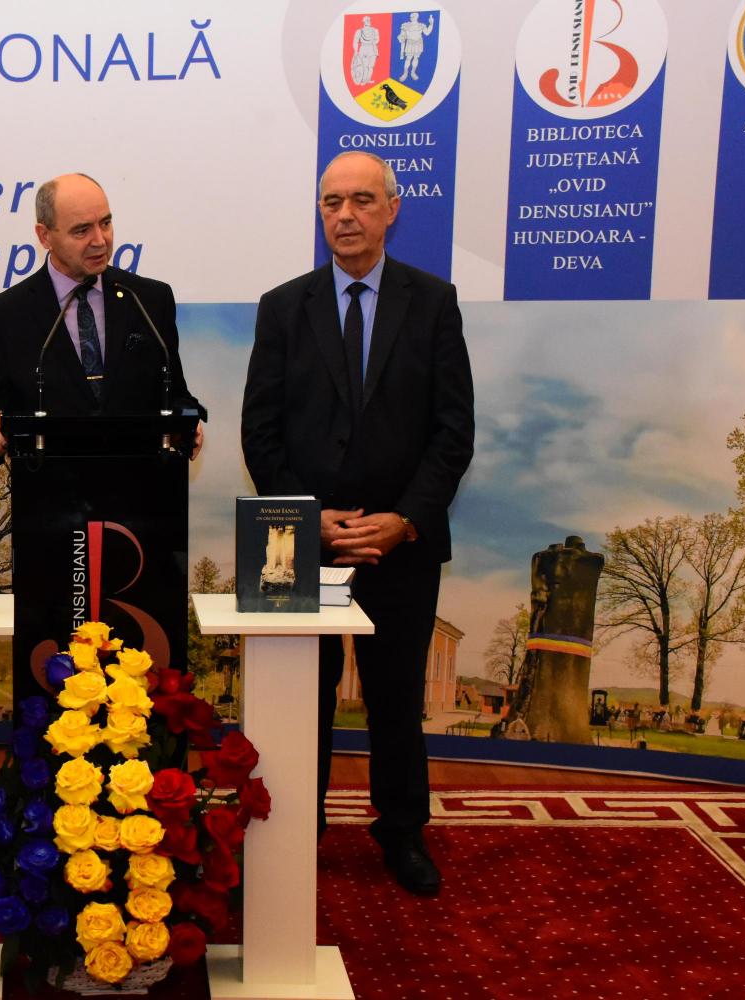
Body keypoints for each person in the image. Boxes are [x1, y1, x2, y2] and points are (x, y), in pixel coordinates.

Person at [240, 150, 474, 896]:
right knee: (298, 696)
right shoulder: (284, 306)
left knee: (396, 696)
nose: (345, 215)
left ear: (392, 209)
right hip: (299, 545)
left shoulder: (433, 303)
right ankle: (292, 827)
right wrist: (310, 521)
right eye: (332, 202)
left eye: (362, 200)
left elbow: (453, 433)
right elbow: (259, 432)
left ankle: (401, 831)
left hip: (400, 544)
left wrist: (404, 520)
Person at [0, 173, 205, 462]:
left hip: (141, 481)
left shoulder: (150, 299)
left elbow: (175, 394)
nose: (100, 241)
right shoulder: (4, 315)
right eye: (81, 231)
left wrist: (186, 423)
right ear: (44, 236)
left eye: (106, 223)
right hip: (49, 484)